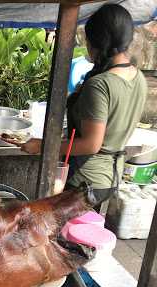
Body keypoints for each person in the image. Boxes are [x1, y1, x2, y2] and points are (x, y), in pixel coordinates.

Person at [14, 4, 147, 203]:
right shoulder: (139, 78)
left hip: (85, 182)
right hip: (111, 177)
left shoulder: (100, 84)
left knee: (63, 231)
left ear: (96, 42)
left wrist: (43, 146)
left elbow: (91, 144)